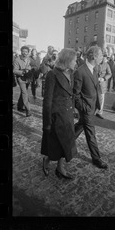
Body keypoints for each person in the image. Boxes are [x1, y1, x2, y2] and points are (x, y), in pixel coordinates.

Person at [41, 48, 78, 179]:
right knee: (55, 144)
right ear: (67, 60)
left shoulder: (71, 73)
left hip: (67, 115)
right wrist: (47, 123)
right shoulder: (52, 74)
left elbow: (71, 94)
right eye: (74, 60)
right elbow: (47, 101)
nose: (76, 62)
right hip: (56, 116)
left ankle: (60, 167)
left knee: (66, 143)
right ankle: (47, 160)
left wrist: (75, 109)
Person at [73, 46, 108, 169]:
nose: (102, 58)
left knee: (80, 125)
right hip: (86, 109)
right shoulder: (80, 71)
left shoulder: (95, 68)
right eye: (101, 55)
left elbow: (95, 87)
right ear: (94, 56)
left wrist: (98, 104)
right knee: (91, 133)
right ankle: (96, 158)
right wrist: (84, 108)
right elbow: (75, 95)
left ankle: (65, 138)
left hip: (92, 107)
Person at [13, 46, 33, 117]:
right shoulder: (17, 60)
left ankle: (19, 106)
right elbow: (14, 71)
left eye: (26, 52)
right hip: (21, 79)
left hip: (27, 78)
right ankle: (28, 110)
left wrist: (29, 69)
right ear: (21, 52)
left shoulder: (28, 59)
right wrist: (23, 72)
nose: (24, 53)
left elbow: (30, 66)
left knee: (23, 92)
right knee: (25, 93)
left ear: (28, 53)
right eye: (23, 51)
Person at [95, 53, 112, 119]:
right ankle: (94, 110)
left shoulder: (106, 65)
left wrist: (104, 78)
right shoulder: (95, 64)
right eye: (102, 57)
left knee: (101, 98)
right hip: (95, 83)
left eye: (104, 57)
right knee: (94, 97)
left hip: (102, 84)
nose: (103, 58)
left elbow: (109, 73)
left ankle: (100, 112)